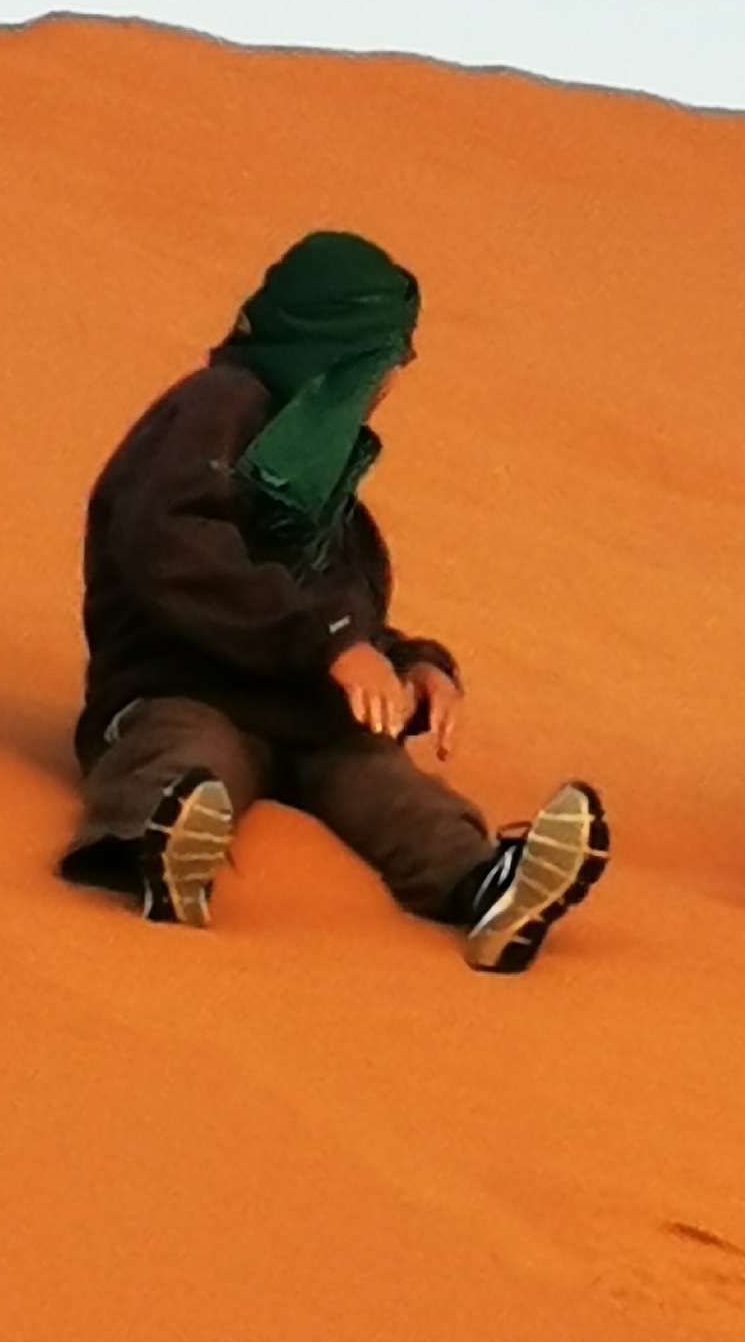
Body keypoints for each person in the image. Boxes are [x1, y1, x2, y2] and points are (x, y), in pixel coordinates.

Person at [57, 232, 610, 971]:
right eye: (383, 357)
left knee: (381, 778)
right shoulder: (214, 408)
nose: (389, 380)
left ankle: (487, 885)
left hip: (300, 710)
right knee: (190, 754)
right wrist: (330, 644)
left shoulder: (324, 485)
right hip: (180, 684)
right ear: (334, 351)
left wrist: (411, 666)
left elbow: (343, 614)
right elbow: (170, 545)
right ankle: (154, 847)